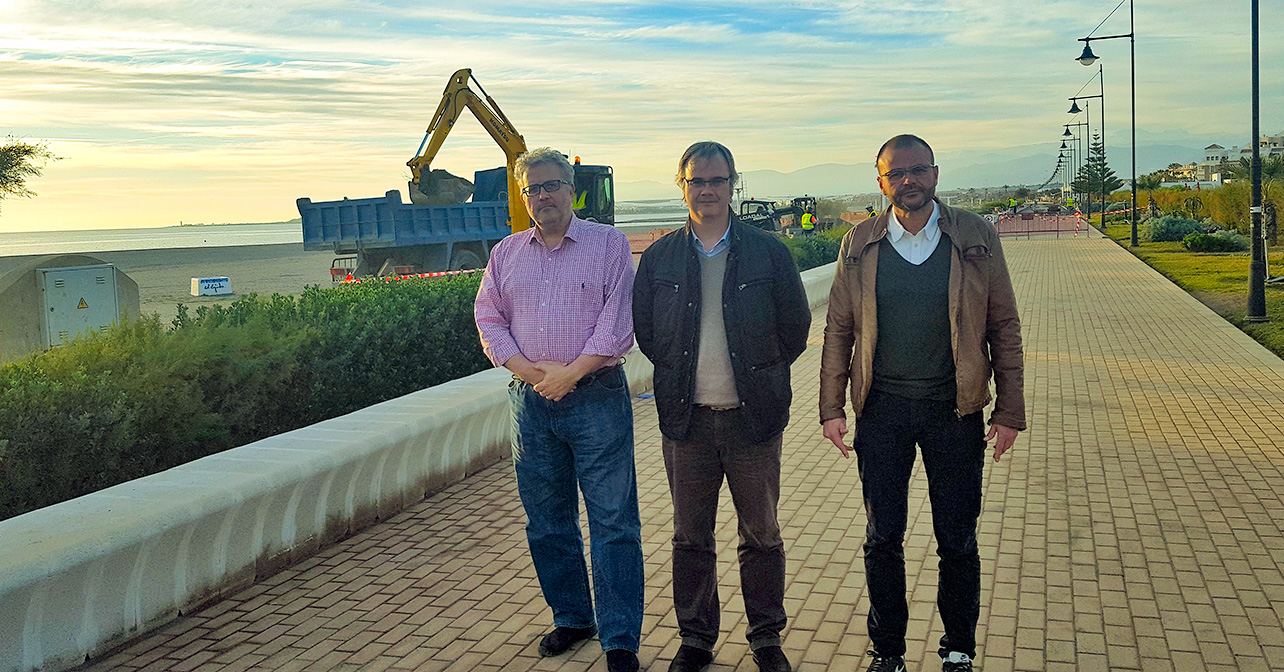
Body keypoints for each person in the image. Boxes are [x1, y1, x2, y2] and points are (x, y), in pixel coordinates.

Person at [819, 134, 1025, 672]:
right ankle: (888, 652)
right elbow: (839, 327)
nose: (908, 180)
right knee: (881, 537)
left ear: (935, 174)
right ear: (881, 181)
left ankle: (958, 649)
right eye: (896, 173)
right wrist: (831, 408)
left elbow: (1004, 325)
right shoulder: (860, 242)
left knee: (957, 538)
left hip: (953, 411)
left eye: (918, 170)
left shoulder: (975, 236)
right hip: (881, 410)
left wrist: (1008, 411)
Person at [633, 141, 811, 672]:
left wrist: (759, 375)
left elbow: (795, 329)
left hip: (752, 420)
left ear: (734, 184)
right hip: (686, 422)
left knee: (761, 534)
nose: (707, 190)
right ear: (681, 185)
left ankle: (765, 638)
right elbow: (647, 330)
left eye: (717, 180)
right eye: (696, 181)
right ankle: (696, 640)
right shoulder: (661, 256)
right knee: (691, 536)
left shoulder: (768, 252)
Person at [474, 147, 643, 672]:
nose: (543, 196)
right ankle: (572, 617)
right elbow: (489, 318)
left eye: (552, 185)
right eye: (534, 189)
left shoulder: (609, 245)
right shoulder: (505, 254)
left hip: (596, 398)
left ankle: (619, 640)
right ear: (524, 197)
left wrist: (570, 374)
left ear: (573, 191)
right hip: (531, 405)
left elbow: (619, 320)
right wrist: (529, 372)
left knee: (613, 521)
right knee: (547, 522)